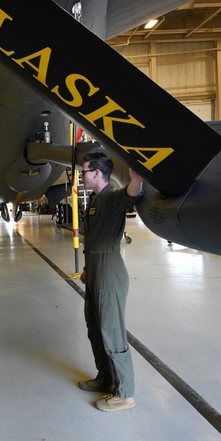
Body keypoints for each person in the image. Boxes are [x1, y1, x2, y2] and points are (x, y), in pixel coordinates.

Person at [77, 152, 144, 413]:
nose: (81, 175)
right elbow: (93, 238)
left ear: (96, 173)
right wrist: (87, 268)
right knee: (95, 328)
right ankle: (106, 378)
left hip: (109, 270)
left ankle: (125, 393)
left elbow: (130, 194)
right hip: (94, 268)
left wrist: (137, 179)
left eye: (84, 170)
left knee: (111, 331)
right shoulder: (94, 201)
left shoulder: (112, 197)